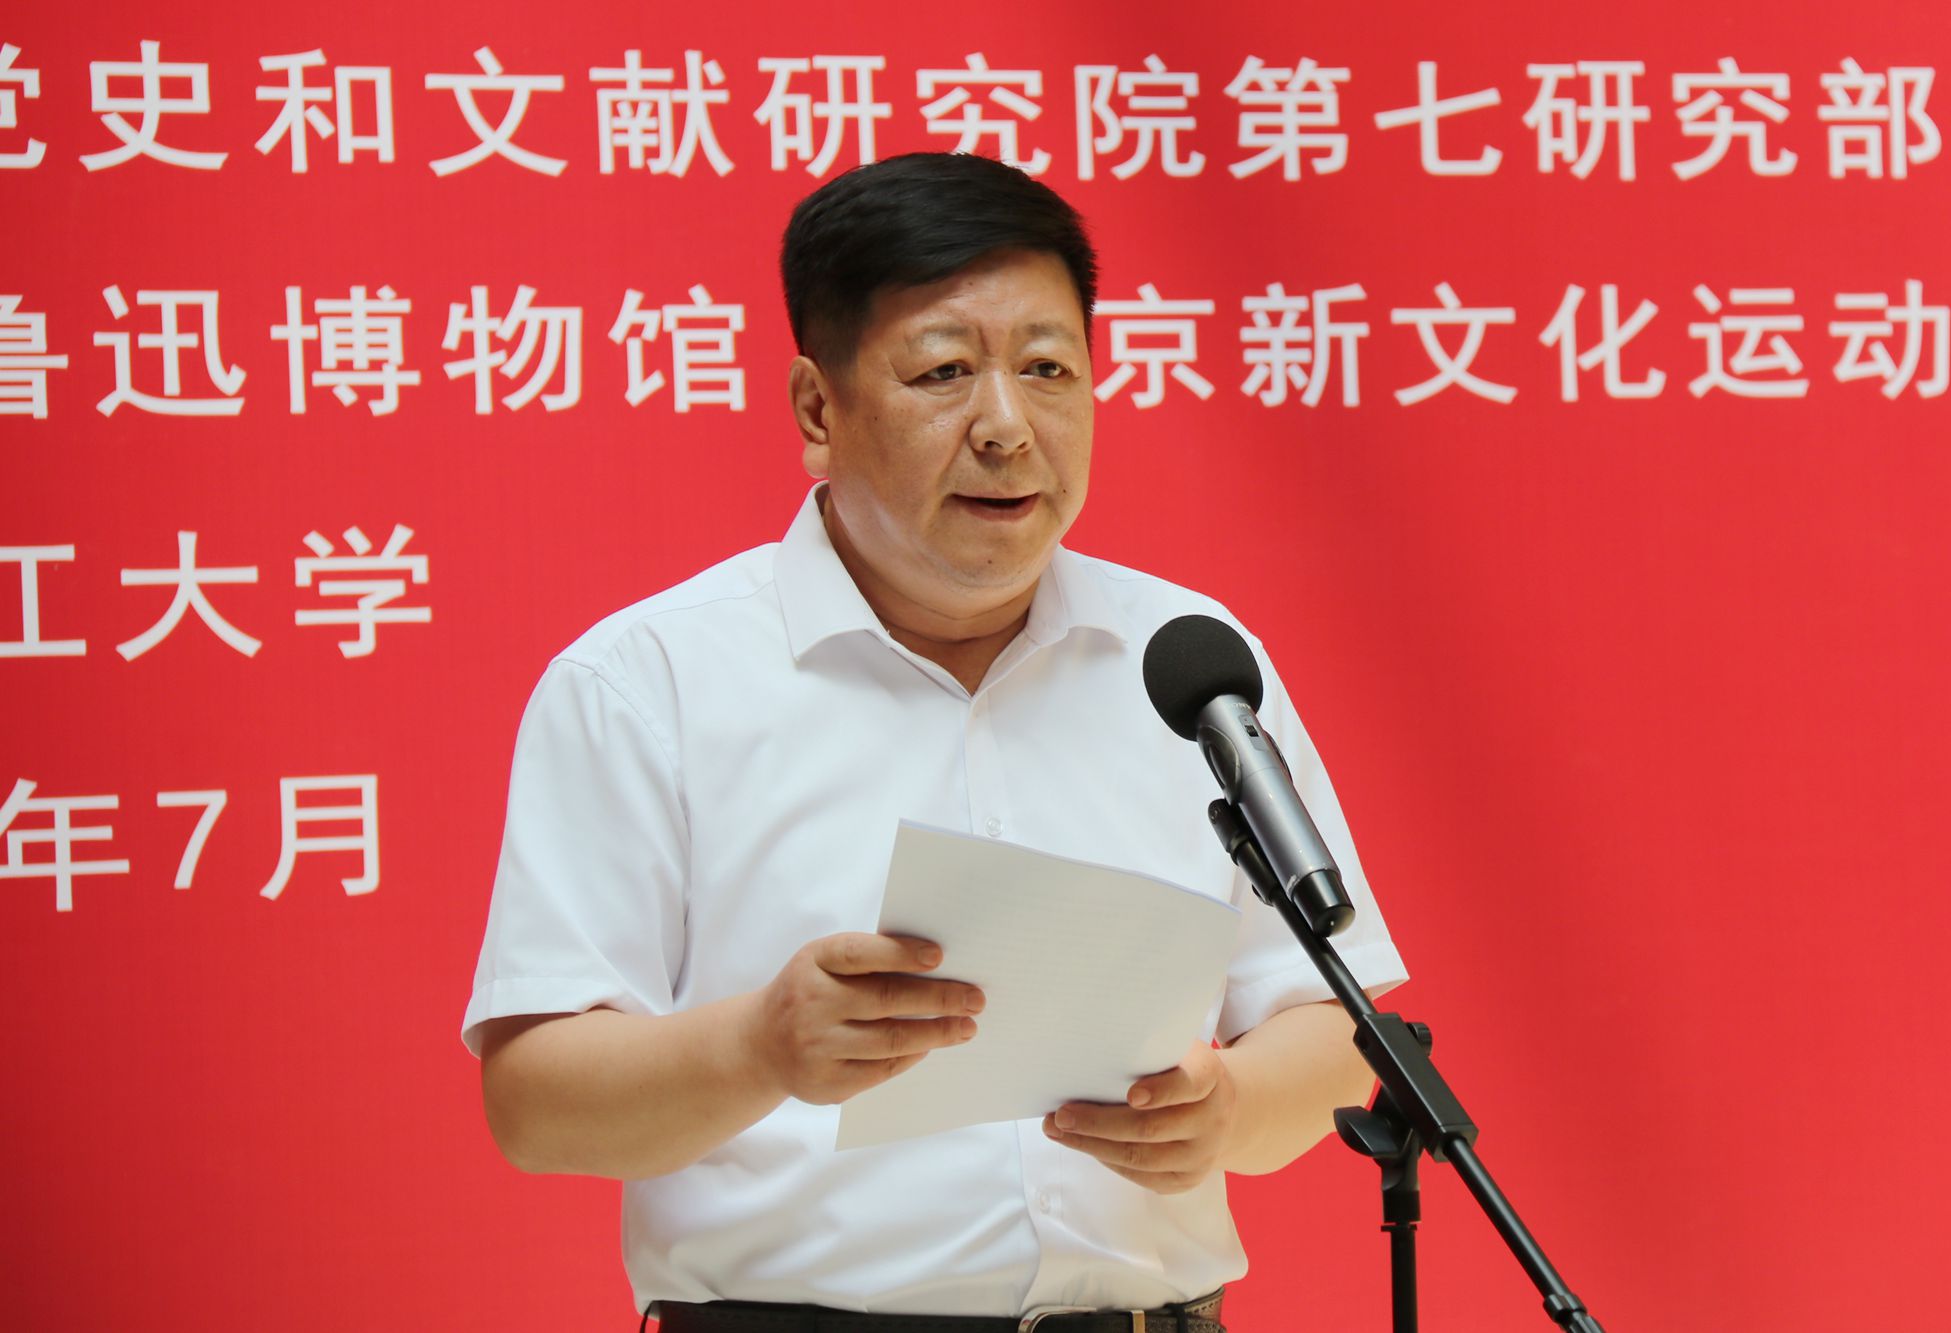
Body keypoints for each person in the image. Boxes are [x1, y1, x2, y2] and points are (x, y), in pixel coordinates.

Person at [463, 152, 1407, 1331]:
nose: (1007, 425)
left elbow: (1331, 1016)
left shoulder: (1188, 665)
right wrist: (758, 1047)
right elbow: (535, 1101)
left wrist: (1225, 1111)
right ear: (818, 409)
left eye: (1047, 368)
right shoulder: (645, 684)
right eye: (944, 371)